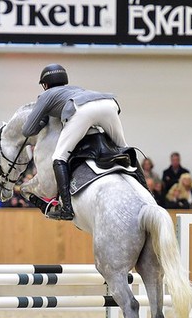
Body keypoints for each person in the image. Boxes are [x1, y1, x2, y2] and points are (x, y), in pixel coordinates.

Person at [21, 63, 128, 221]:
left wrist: (42, 122)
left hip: (83, 110)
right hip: (109, 104)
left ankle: (66, 208)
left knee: (59, 157)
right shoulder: (76, 88)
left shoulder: (45, 95)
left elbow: (27, 130)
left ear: (46, 84)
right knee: (124, 149)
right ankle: (146, 190)